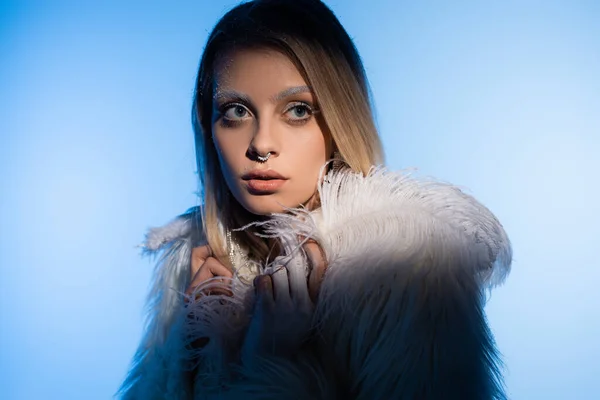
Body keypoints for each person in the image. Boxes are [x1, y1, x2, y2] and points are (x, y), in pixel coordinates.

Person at [118, 0, 512, 399]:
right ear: (209, 127)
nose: (261, 144)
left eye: (298, 110)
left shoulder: (409, 269)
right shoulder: (192, 272)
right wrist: (193, 358)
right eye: (236, 111)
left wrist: (275, 362)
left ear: (340, 120)